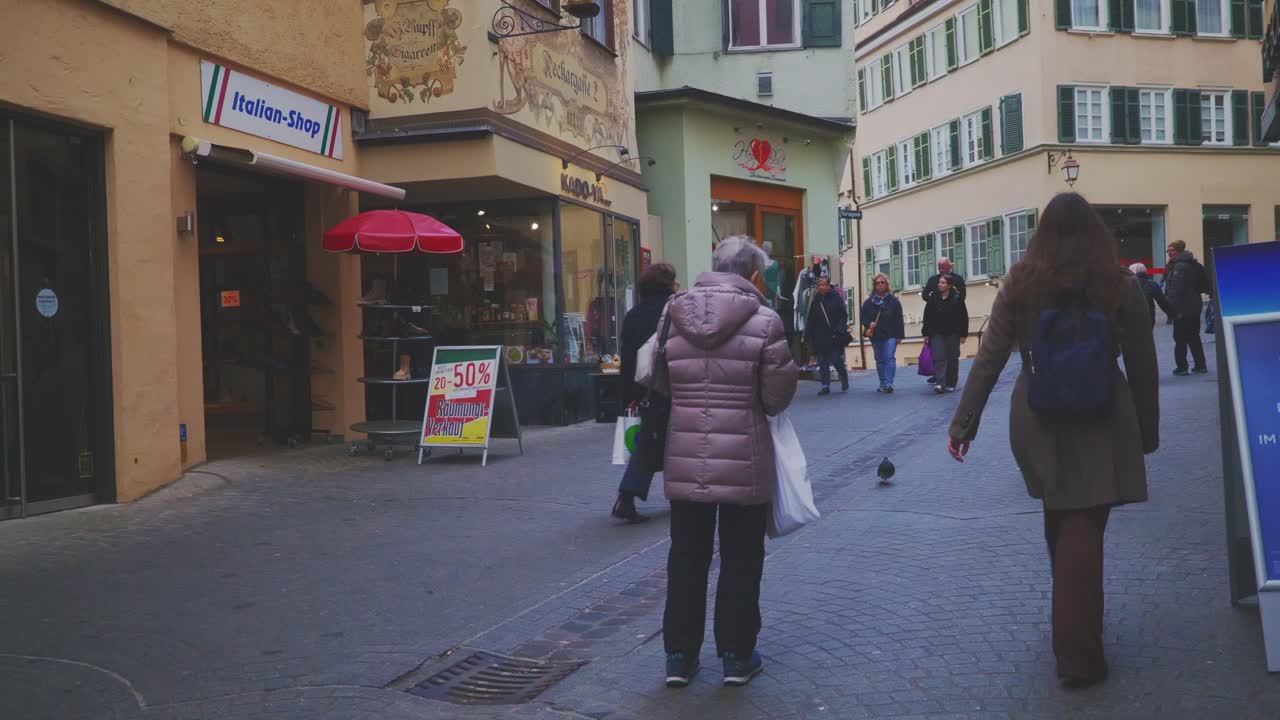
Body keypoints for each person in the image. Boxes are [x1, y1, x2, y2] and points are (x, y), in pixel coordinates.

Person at [946, 192, 1159, 690]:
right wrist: (1146, 430)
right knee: (1085, 522)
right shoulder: (1118, 283)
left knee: (1063, 515)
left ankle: (1073, 618)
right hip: (1103, 413)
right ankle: (1079, 654)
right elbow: (1144, 363)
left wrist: (963, 425)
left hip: (1037, 414)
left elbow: (989, 357)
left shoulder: (1022, 281)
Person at [652, 235, 798, 689]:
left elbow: (659, 380)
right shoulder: (765, 319)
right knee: (741, 558)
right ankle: (736, 655)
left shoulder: (672, 314)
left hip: (685, 455)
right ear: (752, 274)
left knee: (686, 557)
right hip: (745, 459)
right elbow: (776, 397)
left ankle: (679, 656)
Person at [611, 263, 678, 523]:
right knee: (663, 441)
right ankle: (627, 497)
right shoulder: (673, 310)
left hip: (643, 387)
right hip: (669, 383)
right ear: (668, 284)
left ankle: (629, 497)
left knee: (653, 439)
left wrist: (627, 393)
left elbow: (627, 358)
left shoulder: (634, 313)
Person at [1163, 240, 1209, 375]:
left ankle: (1182, 367)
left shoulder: (1179, 267)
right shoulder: (1193, 263)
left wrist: (1172, 311)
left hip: (1183, 309)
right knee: (1194, 337)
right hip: (1195, 305)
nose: (1169, 253)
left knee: (1180, 338)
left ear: (1178, 251)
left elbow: (1175, 291)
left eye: (1171, 250)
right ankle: (1200, 365)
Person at [922, 274, 968, 393]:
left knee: (952, 358)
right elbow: (927, 316)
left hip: (953, 332)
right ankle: (940, 383)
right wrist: (926, 333)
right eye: (939, 282)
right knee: (938, 357)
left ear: (949, 285)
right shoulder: (933, 298)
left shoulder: (957, 298)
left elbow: (963, 317)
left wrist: (963, 334)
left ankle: (951, 382)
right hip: (936, 332)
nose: (939, 284)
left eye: (943, 283)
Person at [860, 273, 906, 393]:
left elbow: (899, 318)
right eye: (877, 283)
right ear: (874, 286)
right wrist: (869, 324)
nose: (880, 285)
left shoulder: (893, 301)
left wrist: (900, 335)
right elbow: (863, 318)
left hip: (891, 333)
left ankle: (889, 383)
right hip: (876, 335)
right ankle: (882, 383)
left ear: (887, 285)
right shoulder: (868, 302)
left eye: (882, 283)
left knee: (889, 357)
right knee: (880, 359)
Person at [805, 275, 850, 395]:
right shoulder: (816, 300)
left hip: (834, 335)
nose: (820, 287)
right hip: (819, 335)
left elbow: (843, 315)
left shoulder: (836, 297)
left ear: (828, 286)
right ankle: (825, 385)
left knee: (835, 359)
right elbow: (811, 318)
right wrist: (808, 334)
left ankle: (843, 375)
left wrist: (840, 329)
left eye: (823, 285)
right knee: (822, 361)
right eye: (819, 285)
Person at [1129, 263, 1174, 328]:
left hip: (1129, 320)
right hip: (1148, 319)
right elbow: (1162, 302)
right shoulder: (1152, 284)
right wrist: (1174, 314)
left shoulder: (1125, 284)